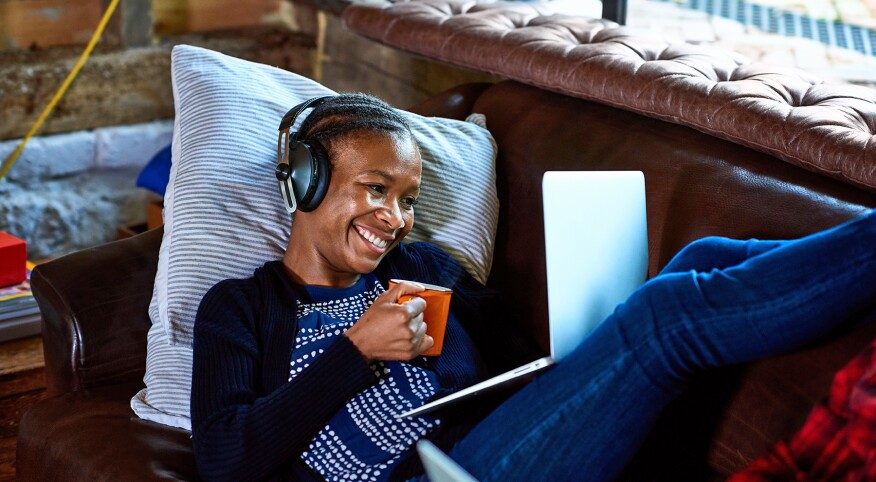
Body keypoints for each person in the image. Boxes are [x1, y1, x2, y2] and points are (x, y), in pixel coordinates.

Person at [190, 92, 876, 482]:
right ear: (306, 180)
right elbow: (224, 460)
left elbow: (520, 369)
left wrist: (586, 367)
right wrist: (356, 350)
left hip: (486, 454)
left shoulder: (424, 271)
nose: (393, 219)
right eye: (376, 190)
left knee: (704, 253)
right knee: (666, 319)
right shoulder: (242, 309)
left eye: (406, 199)